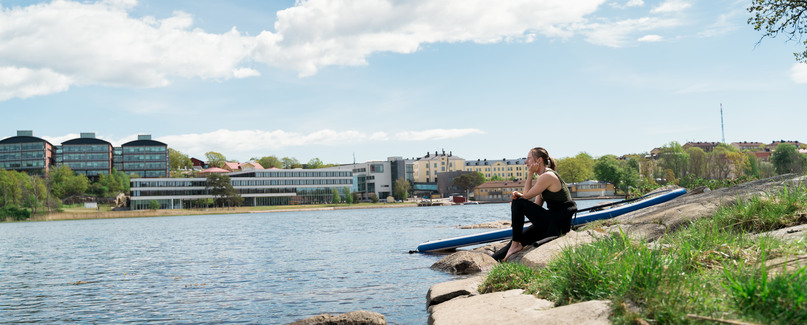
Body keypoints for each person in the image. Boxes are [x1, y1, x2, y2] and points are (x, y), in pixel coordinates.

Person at [499, 147, 577, 262]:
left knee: (518, 202)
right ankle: (495, 259)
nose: (526, 162)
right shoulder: (543, 177)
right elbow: (537, 207)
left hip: (557, 224)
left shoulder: (548, 176)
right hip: (550, 222)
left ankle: (515, 244)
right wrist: (521, 197)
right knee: (516, 240)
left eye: (529, 158)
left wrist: (529, 175)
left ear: (539, 160)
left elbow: (526, 196)